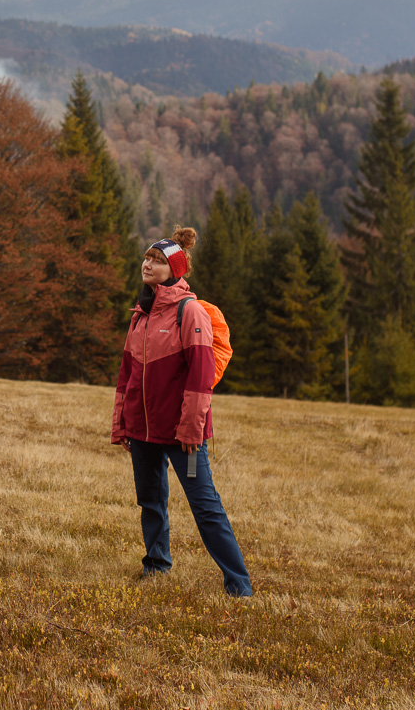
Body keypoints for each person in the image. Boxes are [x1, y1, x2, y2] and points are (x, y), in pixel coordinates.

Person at [111, 226, 253, 596]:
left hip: (182, 433)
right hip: (143, 430)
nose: (147, 264)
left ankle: (239, 585)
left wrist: (191, 429)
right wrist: (122, 423)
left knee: (206, 508)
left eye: (157, 261)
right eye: (146, 258)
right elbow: (127, 374)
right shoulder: (140, 313)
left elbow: (201, 376)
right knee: (151, 502)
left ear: (175, 270)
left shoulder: (189, 312)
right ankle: (157, 567)